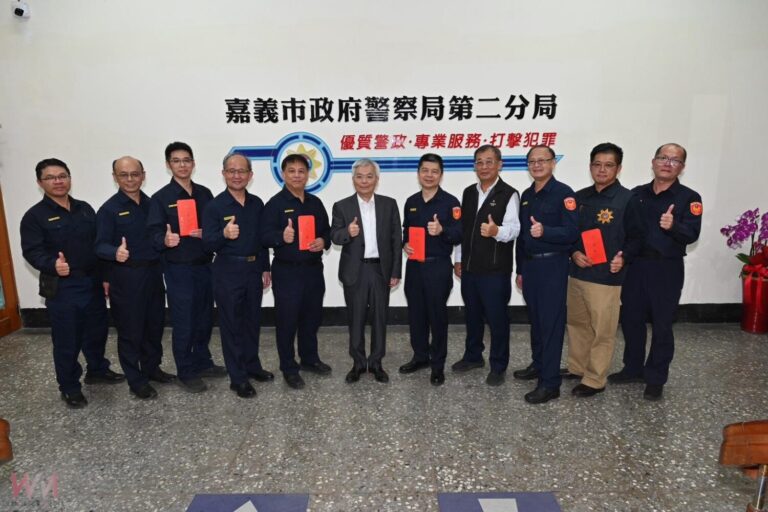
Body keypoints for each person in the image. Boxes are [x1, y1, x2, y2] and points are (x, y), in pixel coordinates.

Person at [20, 158, 124, 408]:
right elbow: (32, 251)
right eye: (50, 177)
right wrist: (52, 264)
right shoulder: (34, 216)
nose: (58, 181)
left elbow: (98, 245)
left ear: (69, 178)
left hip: (92, 281)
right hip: (63, 287)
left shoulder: (84, 209)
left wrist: (105, 277)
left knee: (97, 331)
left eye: (62, 176)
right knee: (67, 339)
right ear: (40, 182)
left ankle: (97, 369)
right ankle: (69, 386)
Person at [609, 143, 702, 401]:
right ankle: (632, 368)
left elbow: (692, 234)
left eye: (674, 160)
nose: (667, 163)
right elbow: (627, 232)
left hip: (666, 268)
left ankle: (656, 377)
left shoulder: (689, 198)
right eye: (663, 157)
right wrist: (621, 255)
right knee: (631, 320)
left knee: (662, 324)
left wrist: (673, 226)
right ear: (653, 161)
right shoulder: (636, 194)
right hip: (636, 267)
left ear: (682, 167)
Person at [563, 143, 643, 398]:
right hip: (577, 272)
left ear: (618, 169)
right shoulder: (579, 197)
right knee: (577, 324)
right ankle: (577, 367)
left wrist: (624, 257)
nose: (602, 170)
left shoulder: (628, 199)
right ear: (590, 166)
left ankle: (595, 379)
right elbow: (570, 233)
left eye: (609, 165)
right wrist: (574, 252)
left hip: (606, 277)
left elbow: (637, 237)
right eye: (597, 164)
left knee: (602, 331)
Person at [95, 156, 176, 400]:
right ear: (115, 177)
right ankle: (136, 379)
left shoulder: (152, 204)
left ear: (143, 175)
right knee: (131, 330)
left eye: (135, 174)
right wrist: (114, 252)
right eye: (124, 175)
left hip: (153, 273)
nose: (130, 179)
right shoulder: (109, 209)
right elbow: (99, 245)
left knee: (154, 325)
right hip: (127, 276)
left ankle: (152, 368)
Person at [147, 142, 223, 393]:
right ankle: (185, 370)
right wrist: (164, 239)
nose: (182, 165)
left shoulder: (205, 193)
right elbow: (153, 234)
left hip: (205, 265)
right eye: (176, 161)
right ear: (168, 165)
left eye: (186, 160)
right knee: (184, 321)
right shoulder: (160, 198)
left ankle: (203, 362)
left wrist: (208, 232)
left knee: (204, 318)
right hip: (179, 268)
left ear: (193, 163)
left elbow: (215, 226)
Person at [202, 153, 273, 399]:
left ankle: (252, 366)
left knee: (252, 322)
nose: (236, 175)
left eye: (242, 171)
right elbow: (207, 243)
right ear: (223, 174)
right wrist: (223, 234)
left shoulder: (257, 204)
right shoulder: (214, 206)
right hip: (227, 271)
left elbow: (262, 240)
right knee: (231, 325)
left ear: (250, 175)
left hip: (253, 270)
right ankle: (238, 378)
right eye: (231, 171)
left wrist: (265, 267)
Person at [514, 145, 579, 404]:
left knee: (551, 324)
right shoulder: (527, 195)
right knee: (537, 321)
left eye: (543, 160)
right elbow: (522, 237)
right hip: (531, 267)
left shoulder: (564, 194)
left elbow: (572, 232)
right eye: (532, 161)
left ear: (553, 163)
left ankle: (550, 383)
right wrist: (520, 270)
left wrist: (546, 231)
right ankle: (539, 365)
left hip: (553, 266)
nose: (537, 165)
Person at [261, 154, 332, 390]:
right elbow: (264, 236)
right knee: (287, 321)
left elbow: (327, 231)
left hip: (313, 270)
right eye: (291, 171)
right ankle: (289, 367)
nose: (297, 175)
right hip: (287, 272)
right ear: (283, 174)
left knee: (312, 318)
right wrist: (281, 237)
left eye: (301, 171)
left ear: (308, 174)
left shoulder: (315, 203)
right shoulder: (275, 204)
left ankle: (310, 359)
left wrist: (323, 241)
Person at [452, 145, 520, 386]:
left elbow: (514, 230)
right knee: (472, 316)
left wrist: (495, 231)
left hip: (495, 271)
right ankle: (473, 356)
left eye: (489, 162)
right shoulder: (469, 192)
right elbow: (464, 230)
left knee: (497, 319)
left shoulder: (509, 194)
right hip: (470, 268)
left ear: (499, 164)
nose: (484, 167)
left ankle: (498, 366)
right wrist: (459, 258)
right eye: (479, 162)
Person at [330, 159, 402, 384]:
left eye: (369, 176)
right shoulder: (342, 206)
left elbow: (396, 240)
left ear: (376, 180)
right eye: (359, 176)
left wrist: (395, 271)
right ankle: (358, 363)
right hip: (356, 270)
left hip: (380, 269)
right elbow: (334, 236)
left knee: (380, 318)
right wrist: (347, 232)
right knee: (356, 318)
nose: (364, 181)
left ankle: (377, 362)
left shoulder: (389, 204)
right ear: (353, 180)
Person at [400, 153, 462, 386]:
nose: (429, 175)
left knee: (437, 317)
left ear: (441, 175)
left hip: (438, 267)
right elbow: (406, 231)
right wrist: (405, 244)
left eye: (434, 171)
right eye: (425, 170)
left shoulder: (451, 203)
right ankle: (420, 357)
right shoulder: (411, 202)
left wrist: (442, 230)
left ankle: (437, 365)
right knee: (416, 315)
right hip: (414, 267)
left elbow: (459, 234)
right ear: (418, 173)